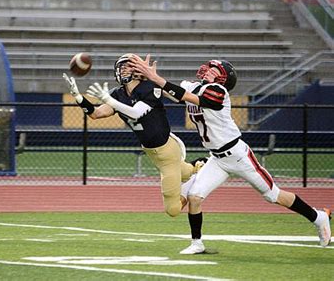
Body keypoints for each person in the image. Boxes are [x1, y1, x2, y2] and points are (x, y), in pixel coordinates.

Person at [129, 55, 332, 253]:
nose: (208, 70)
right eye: (209, 67)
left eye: (214, 70)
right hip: (217, 158)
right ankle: (197, 243)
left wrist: (156, 78)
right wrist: (146, 76)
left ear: (223, 79)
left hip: (237, 155)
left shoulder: (218, 91)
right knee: (194, 196)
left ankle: (318, 217)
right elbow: (170, 91)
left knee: (274, 195)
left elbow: (186, 96)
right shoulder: (194, 87)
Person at [63, 53, 203, 218]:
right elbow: (96, 114)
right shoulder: (118, 94)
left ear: (138, 70)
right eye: (122, 67)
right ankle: (200, 166)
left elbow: (136, 113)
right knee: (186, 172)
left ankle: (193, 186)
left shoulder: (150, 87)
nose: (123, 70)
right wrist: (79, 97)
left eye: (128, 66)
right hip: (153, 153)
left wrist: (109, 100)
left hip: (168, 151)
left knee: (172, 210)